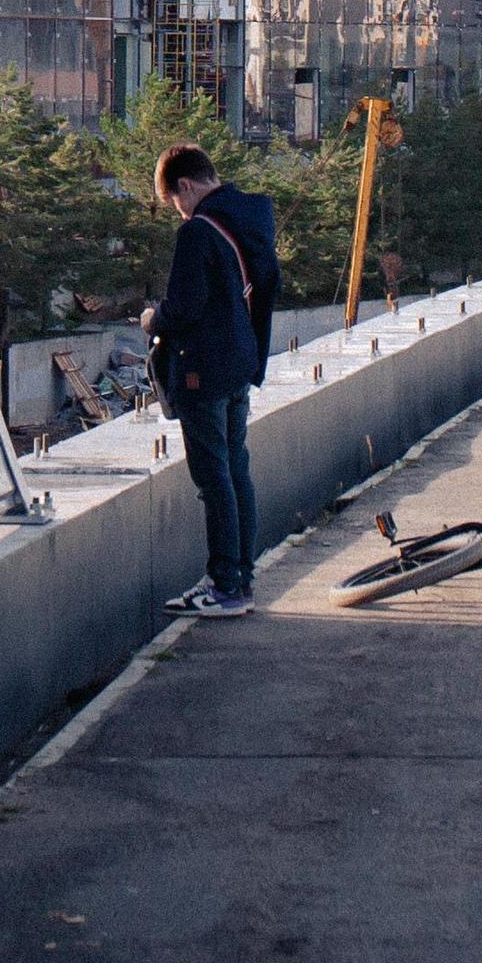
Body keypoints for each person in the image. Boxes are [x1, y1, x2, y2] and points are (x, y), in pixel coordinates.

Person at [142, 145, 278, 616]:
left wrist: (152, 318)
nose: (178, 212)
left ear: (185, 186)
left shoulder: (198, 232)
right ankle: (241, 580)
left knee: (212, 476)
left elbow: (183, 309)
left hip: (203, 368)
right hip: (240, 361)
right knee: (236, 468)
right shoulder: (249, 220)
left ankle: (223, 584)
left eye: (175, 202)